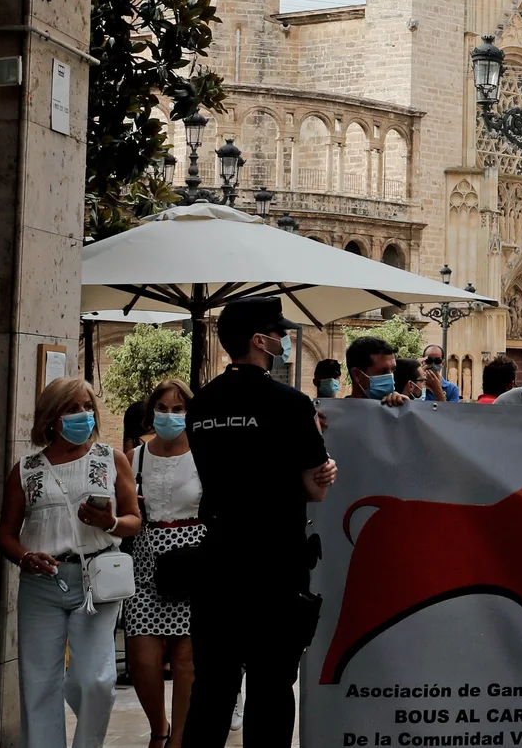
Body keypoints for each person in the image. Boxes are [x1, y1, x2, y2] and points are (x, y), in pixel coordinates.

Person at [183, 296, 336, 748]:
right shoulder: (291, 403)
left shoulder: (202, 404)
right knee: (270, 686)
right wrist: (322, 457)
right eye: (278, 332)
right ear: (259, 340)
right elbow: (316, 488)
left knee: (212, 687)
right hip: (275, 563)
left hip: (217, 559)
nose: (284, 339)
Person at [0, 378, 141, 748]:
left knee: (96, 680)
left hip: (97, 580)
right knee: (38, 684)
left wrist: (108, 522)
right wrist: (26, 557)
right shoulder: (26, 469)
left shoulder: (111, 459)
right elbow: (6, 535)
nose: (83, 414)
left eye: (87, 406)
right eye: (72, 408)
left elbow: (134, 520)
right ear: (51, 418)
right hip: (41, 584)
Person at [127, 377, 203, 748]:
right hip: (145, 558)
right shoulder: (134, 456)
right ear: (151, 411)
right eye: (162, 408)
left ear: (189, 413)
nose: (170, 416)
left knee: (187, 658)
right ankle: (159, 727)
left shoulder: (205, 453)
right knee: (142, 656)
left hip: (192, 556)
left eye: (178, 409)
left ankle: (179, 741)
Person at [344, 335, 398, 400]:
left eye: (393, 370)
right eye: (383, 372)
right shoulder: (337, 410)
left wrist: (406, 408)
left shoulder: (397, 407)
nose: (390, 378)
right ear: (357, 375)